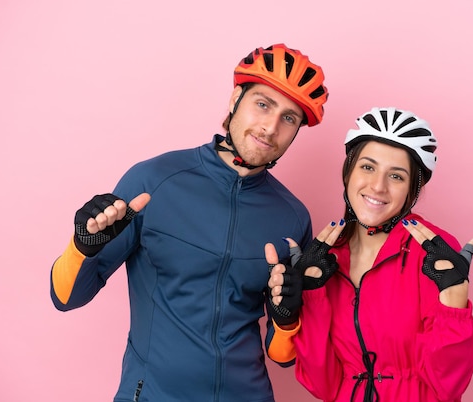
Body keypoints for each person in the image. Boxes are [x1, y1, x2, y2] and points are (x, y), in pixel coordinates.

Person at [49, 43, 329, 402]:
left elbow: (282, 355)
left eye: (289, 118)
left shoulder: (292, 216)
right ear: (234, 101)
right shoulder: (153, 181)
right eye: (263, 104)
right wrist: (82, 247)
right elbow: (66, 297)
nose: (271, 127)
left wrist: (286, 317)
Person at [267, 107, 473, 401]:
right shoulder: (326, 257)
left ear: (411, 189)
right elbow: (323, 385)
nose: (378, 187)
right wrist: (308, 299)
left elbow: (449, 385)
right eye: (367, 167)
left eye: (396, 176)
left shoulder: (434, 252)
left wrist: (454, 304)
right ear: (349, 173)